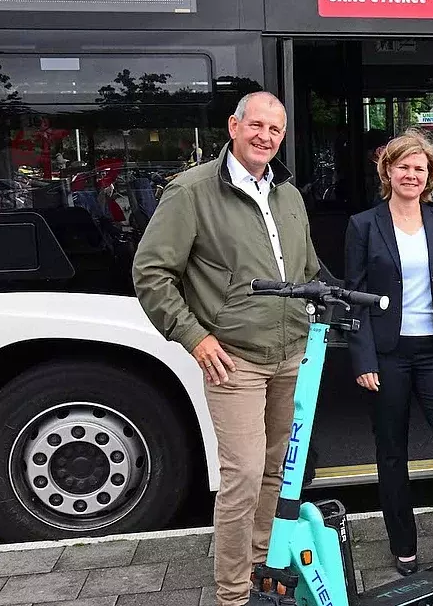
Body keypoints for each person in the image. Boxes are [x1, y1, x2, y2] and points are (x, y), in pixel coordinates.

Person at [132, 91, 320, 606]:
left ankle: (262, 567)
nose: (265, 136)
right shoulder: (191, 191)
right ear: (233, 127)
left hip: (290, 354)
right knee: (241, 473)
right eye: (256, 125)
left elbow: (307, 271)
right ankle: (233, 594)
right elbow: (151, 274)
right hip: (233, 358)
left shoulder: (288, 194)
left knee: (275, 469)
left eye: (275, 130)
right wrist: (195, 337)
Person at [343, 129, 433, 577]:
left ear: (430, 175)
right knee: (391, 454)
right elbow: (355, 296)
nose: (411, 174)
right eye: (403, 166)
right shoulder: (363, 225)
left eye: (419, 168)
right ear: (388, 170)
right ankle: (403, 546)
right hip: (387, 355)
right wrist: (362, 359)